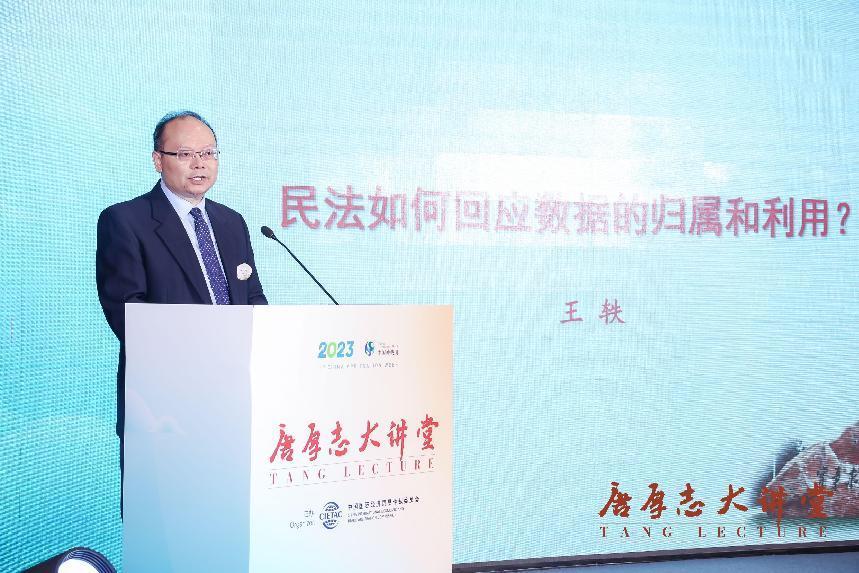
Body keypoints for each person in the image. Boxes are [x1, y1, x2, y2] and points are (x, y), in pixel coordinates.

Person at [96, 111, 267, 491]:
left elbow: (252, 297)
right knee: (169, 513)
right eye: (186, 154)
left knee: (231, 507)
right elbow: (128, 313)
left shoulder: (232, 222)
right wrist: (202, 356)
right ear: (158, 160)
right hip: (166, 406)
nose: (200, 163)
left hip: (236, 399)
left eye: (208, 153)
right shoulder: (126, 220)